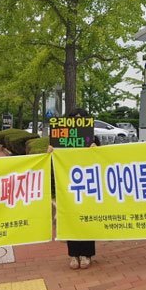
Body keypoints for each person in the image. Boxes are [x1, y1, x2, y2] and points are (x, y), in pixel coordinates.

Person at [48, 107, 98, 270]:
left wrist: (95, 150)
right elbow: (51, 163)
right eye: (74, 119)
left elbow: (101, 161)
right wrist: (49, 153)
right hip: (67, 187)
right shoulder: (59, 139)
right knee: (70, 219)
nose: (77, 123)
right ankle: (74, 255)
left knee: (86, 219)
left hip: (87, 186)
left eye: (81, 119)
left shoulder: (93, 139)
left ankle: (86, 254)